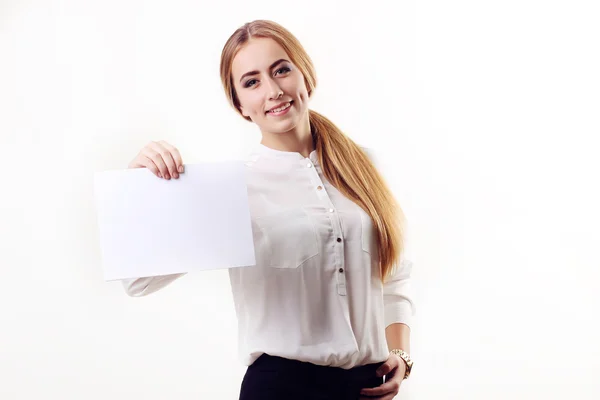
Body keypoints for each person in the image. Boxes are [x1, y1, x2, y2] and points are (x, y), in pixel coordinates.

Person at [122, 19, 416, 400]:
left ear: (304, 75)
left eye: (281, 70)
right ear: (239, 105)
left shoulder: (364, 166)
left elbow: (395, 274)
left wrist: (400, 354)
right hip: (281, 388)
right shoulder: (233, 190)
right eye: (252, 81)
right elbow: (137, 281)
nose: (274, 90)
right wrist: (138, 184)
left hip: (367, 387)